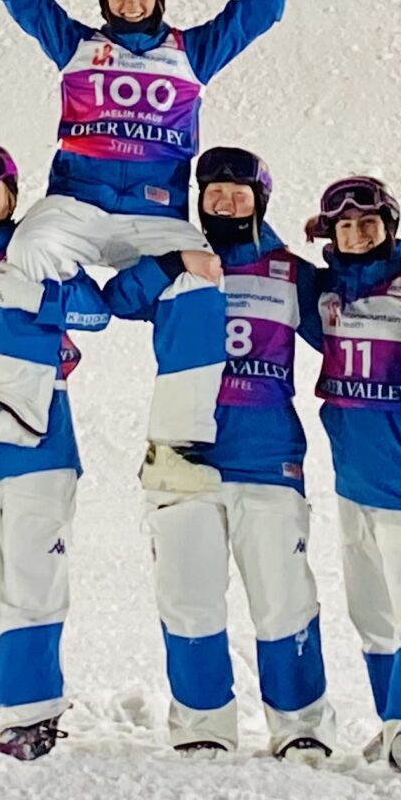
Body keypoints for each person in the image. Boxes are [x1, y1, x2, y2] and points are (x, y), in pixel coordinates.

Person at [0, 0, 294, 461]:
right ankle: (16, 403)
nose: (131, 2)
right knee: (31, 248)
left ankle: (181, 429)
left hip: (153, 213)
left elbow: (259, 10)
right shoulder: (76, 45)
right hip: (79, 203)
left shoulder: (193, 52)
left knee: (200, 276)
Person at [108, 146, 335, 761]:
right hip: (185, 463)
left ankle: (301, 725)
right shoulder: (176, 261)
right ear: (199, 199)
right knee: (188, 597)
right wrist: (172, 261)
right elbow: (115, 300)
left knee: (284, 599)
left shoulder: (288, 270)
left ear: (260, 201)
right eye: (215, 192)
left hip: (267, 459)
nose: (227, 202)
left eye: (240, 193)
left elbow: (351, 321)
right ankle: (202, 723)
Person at [0, 141, 111, 761]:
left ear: (12, 193)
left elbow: (95, 317)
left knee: (32, 582)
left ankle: (33, 710)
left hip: (38, 448)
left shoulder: (40, 251)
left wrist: (36, 298)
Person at [304, 174, 401, 777]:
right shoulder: (325, 290)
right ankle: (396, 718)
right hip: (353, 476)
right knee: (371, 610)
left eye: (369, 223)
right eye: (345, 225)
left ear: (389, 226)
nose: (358, 233)